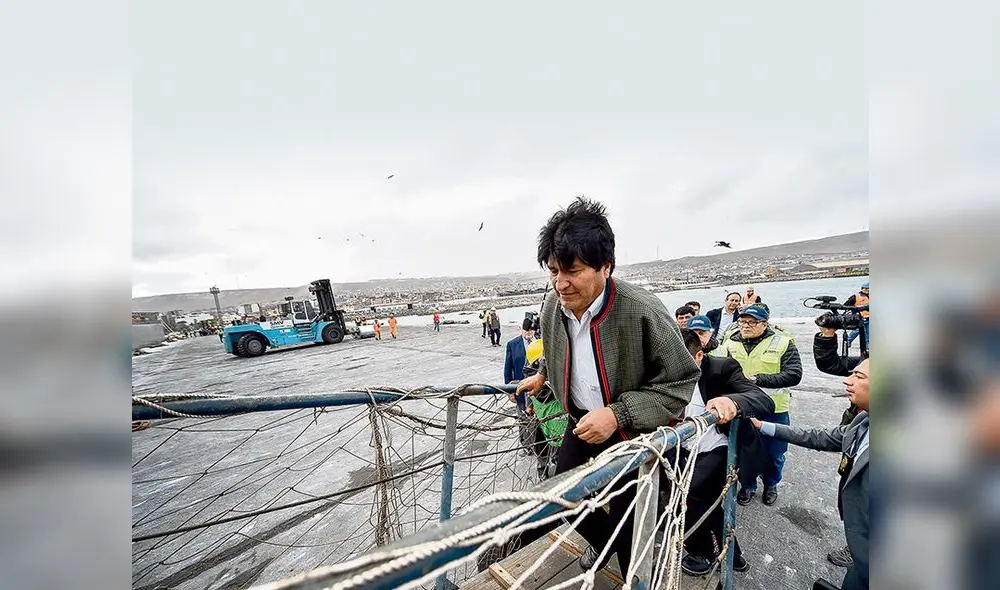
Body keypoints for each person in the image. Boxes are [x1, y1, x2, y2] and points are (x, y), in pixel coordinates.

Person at [516, 196, 700, 576]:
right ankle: (607, 548)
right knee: (563, 499)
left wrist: (618, 415)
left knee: (633, 521)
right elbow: (558, 350)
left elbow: (681, 379)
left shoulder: (642, 310)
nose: (560, 283)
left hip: (636, 433)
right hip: (581, 423)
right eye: (553, 271)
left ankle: (631, 566)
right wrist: (543, 374)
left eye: (573, 270)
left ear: (606, 266)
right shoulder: (554, 306)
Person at [752, 358, 870, 590]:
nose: (848, 380)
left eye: (860, 377)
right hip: (861, 548)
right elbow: (819, 436)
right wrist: (763, 426)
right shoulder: (863, 421)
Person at [675, 329, 774, 576]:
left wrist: (732, 402)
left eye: (680, 365)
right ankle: (733, 554)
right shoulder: (663, 370)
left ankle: (703, 553)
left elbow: (763, 400)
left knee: (687, 497)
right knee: (706, 503)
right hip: (684, 448)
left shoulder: (722, 368)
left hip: (716, 447)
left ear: (698, 357)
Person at [715, 304, 803, 506]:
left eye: (752, 322)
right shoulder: (730, 342)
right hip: (743, 409)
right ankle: (748, 486)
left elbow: (794, 374)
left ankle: (771, 483)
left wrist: (757, 380)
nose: (746, 326)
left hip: (774, 409)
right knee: (745, 452)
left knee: (774, 453)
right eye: (743, 321)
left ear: (765, 324)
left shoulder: (782, 343)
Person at [504, 319, 535, 413]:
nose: (528, 333)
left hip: (540, 392)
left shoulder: (541, 341)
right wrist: (509, 391)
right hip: (520, 391)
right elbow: (508, 369)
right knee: (523, 421)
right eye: (525, 330)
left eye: (530, 330)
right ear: (520, 329)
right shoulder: (512, 344)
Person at [844, 281, 870, 350]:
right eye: (865, 289)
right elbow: (846, 305)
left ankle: (868, 345)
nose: (866, 290)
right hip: (859, 317)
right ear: (862, 289)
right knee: (857, 331)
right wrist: (855, 311)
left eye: (868, 289)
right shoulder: (855, 296)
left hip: (869, 318)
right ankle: (848, 341)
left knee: (868, 332)